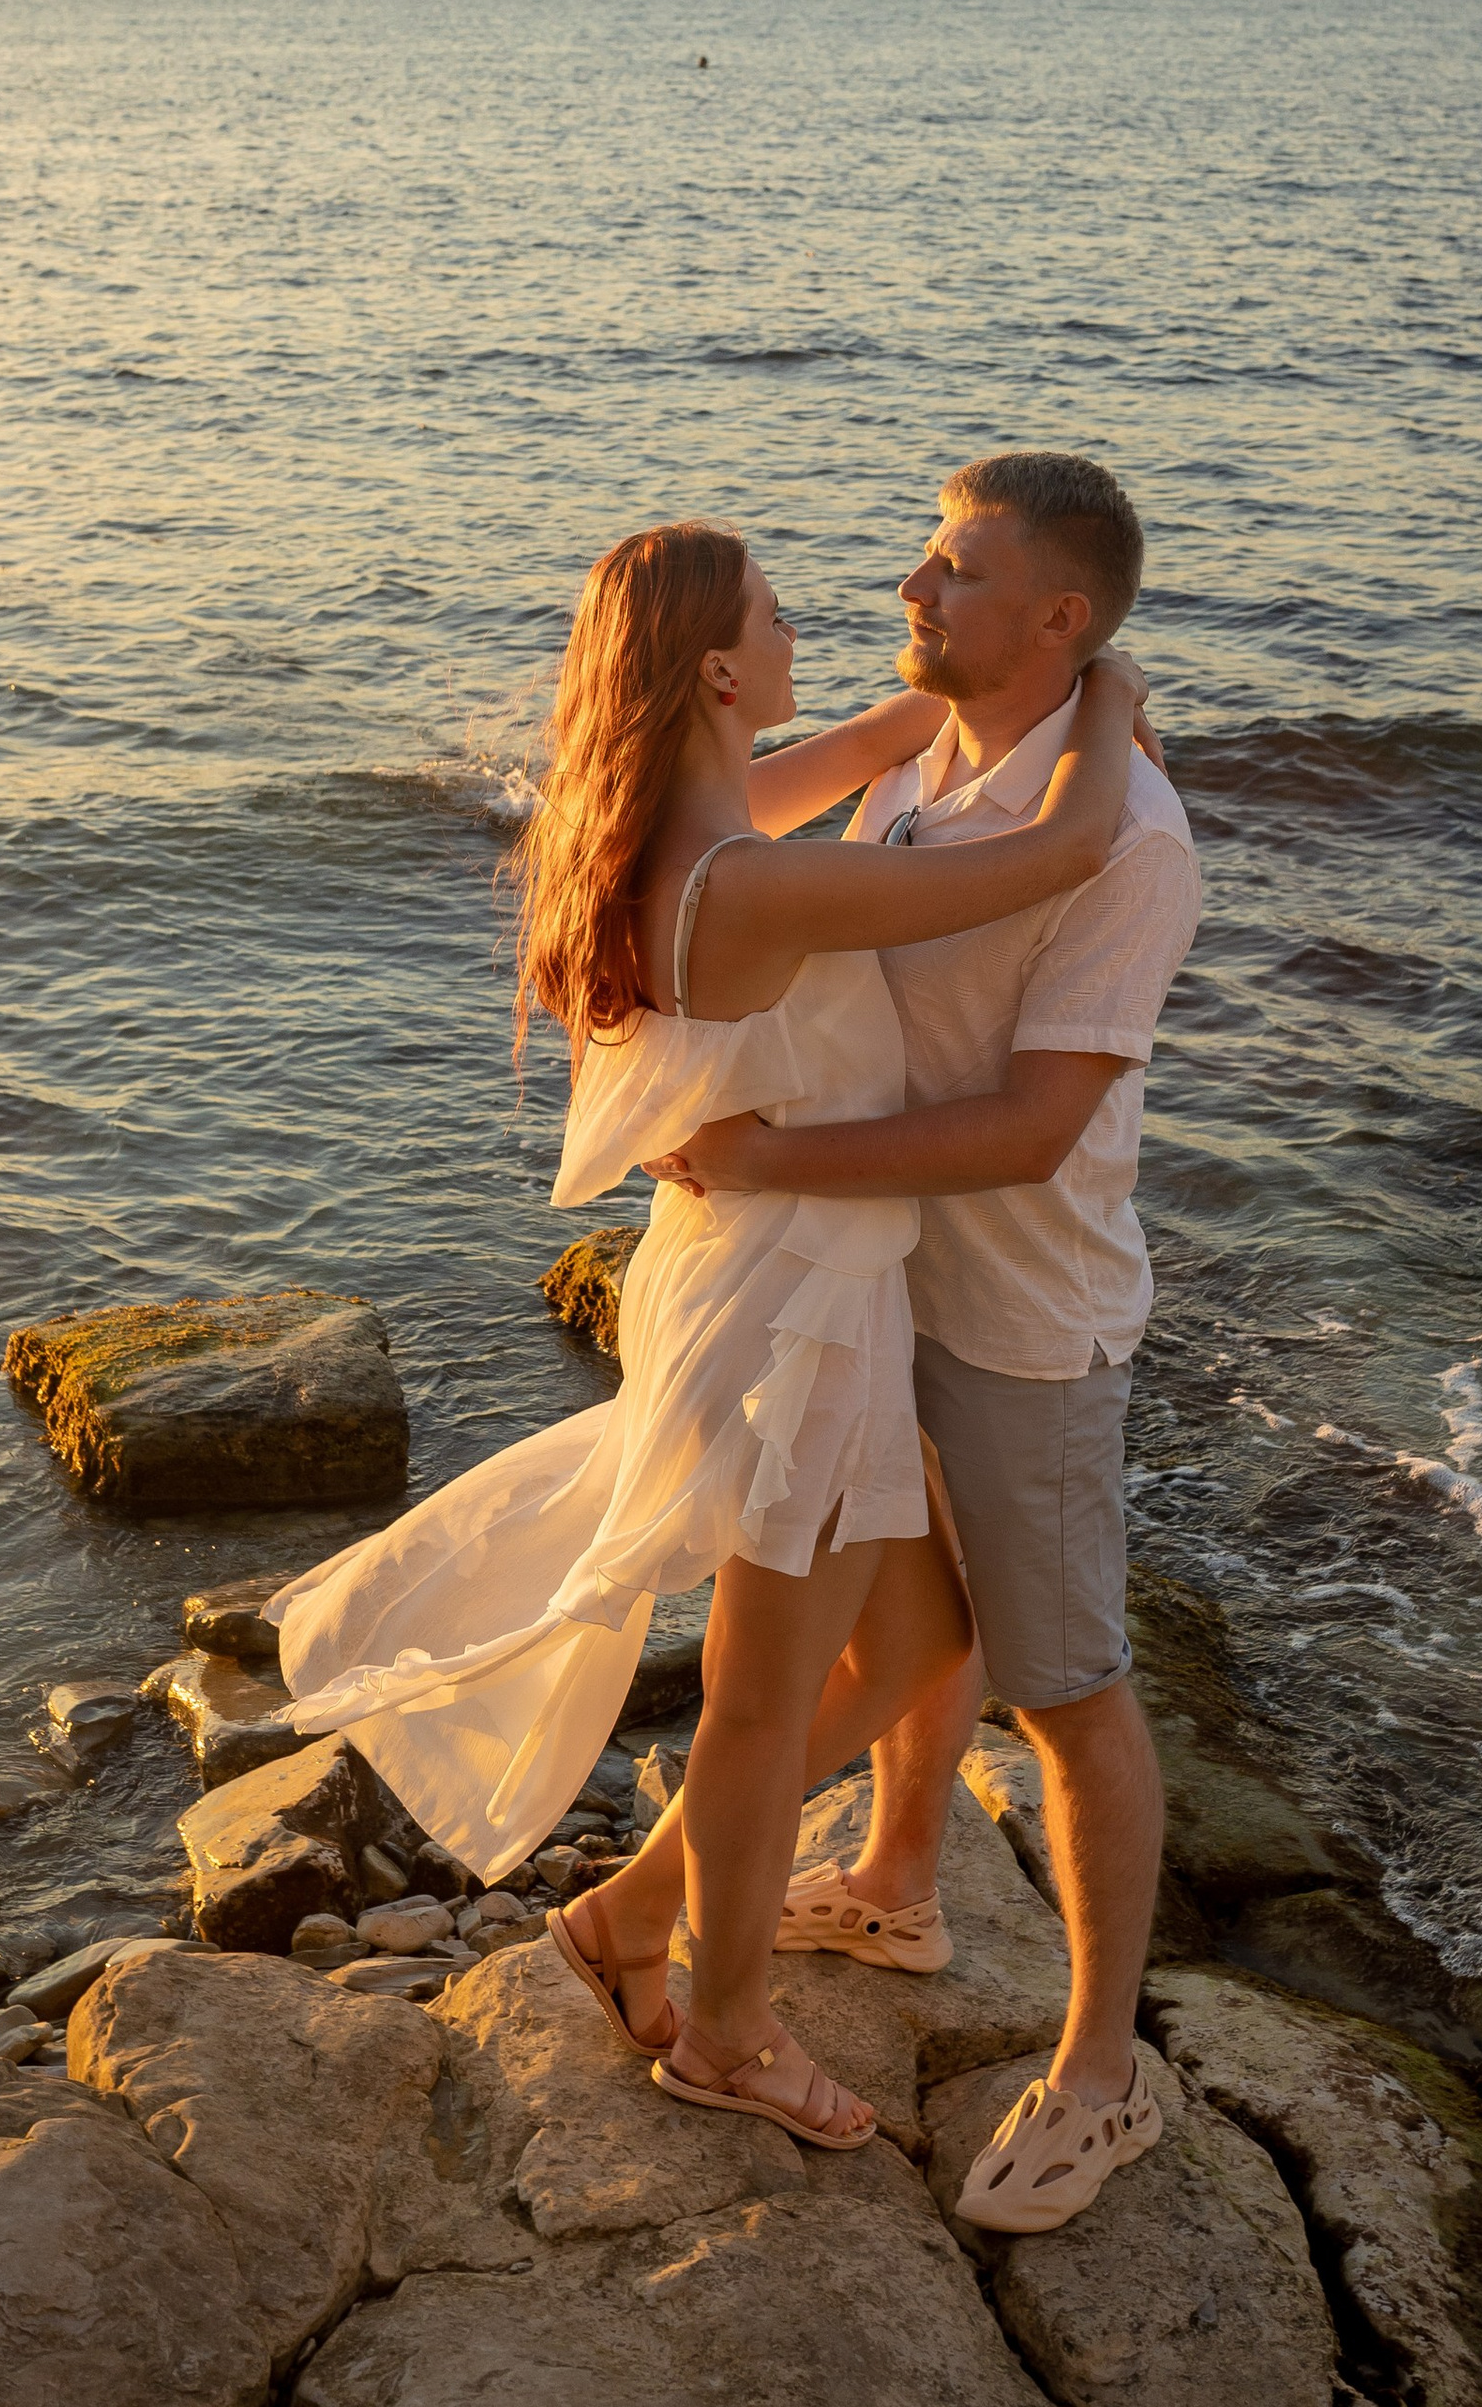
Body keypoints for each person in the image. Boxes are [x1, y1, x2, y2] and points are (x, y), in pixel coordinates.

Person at [273, 517, 1147, 2154]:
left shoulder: (682, 821)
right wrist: (1103, 693)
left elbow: (885, 738)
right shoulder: (752, 875)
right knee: (761, 1699)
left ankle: (630, 1920)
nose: (824, 634)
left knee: (923, 1644)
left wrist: (975, 694)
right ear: (727, 671)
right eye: (781, 619)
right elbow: (1057, 855)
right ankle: (724, 2033)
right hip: (794, 1306)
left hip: (767, 1273)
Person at [651, 452, 1198, 2236]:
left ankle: (1103, 2075)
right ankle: (895, 1878)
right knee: (918, 1619)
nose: (910, 587)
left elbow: (1039, 1125)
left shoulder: (1127, 841)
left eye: (956, 572)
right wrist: (1101, 693)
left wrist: (778, 1161)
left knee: (1063, 1684)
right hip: (880, 1278)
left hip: (1021, 1311)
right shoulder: (933, 756)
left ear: (1057, 613)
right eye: (920, 562)